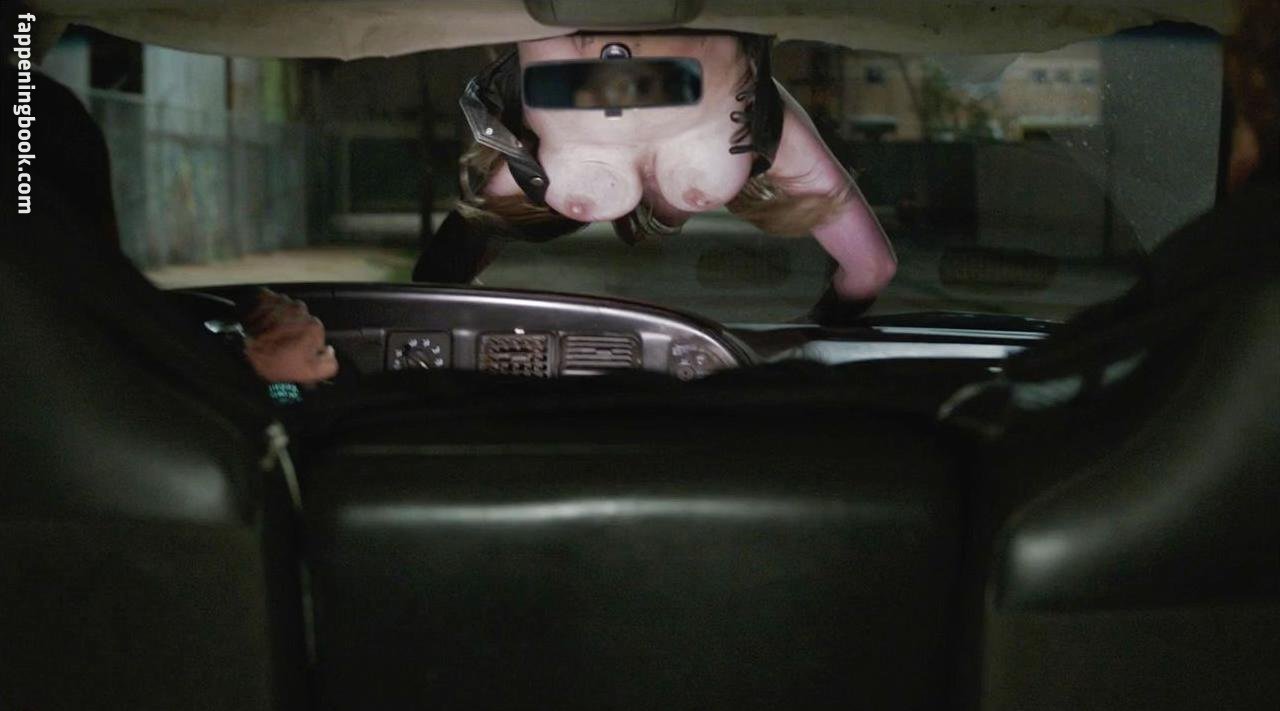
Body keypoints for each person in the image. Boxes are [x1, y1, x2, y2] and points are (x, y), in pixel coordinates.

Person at [414, 32, 896, 314]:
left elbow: (873, 269)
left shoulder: (757, 132)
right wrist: (812, 340)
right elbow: (872, 268)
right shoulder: (760, 132)